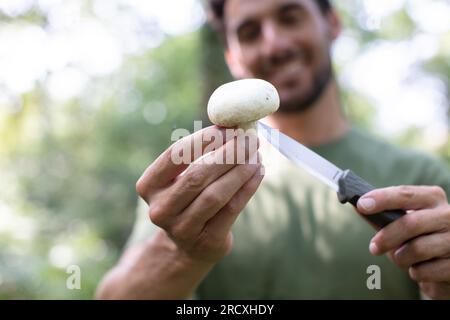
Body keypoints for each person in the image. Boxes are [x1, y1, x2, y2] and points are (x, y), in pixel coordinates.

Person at [96, 0, 450, 299]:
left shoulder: (422, 179)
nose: (274, 44)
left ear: (332, 23)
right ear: (232, 57)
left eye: (290, 16)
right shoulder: (193, 184)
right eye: (250, 32)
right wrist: (181, 252)